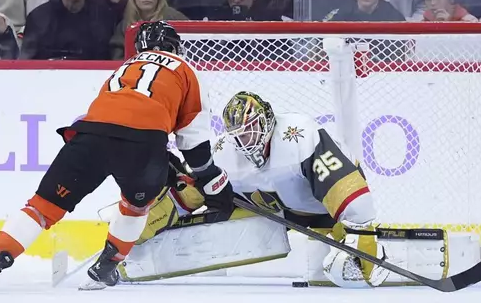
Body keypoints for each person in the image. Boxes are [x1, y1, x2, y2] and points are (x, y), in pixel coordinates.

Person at [0, 21, 234, 291]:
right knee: (136, 206)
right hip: (143, 145)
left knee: (42, 206)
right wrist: (209, 179)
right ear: (174, 46)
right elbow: (192, 142)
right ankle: (107, 266)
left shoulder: (125, 67)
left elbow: (111, 117)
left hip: (90, 137)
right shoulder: (186, 69)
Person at [121, 91, 391, 288]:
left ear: (267, 121)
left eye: (251, 131)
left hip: (327, 211)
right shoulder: (224, 152)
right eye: (238, 135)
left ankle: (362, 242)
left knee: (341, 265)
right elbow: (190, 192)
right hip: (283, 213)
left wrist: (361, 233)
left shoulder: (299, 135)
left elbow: (345, 187)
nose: (246, 141)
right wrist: (135, 228)